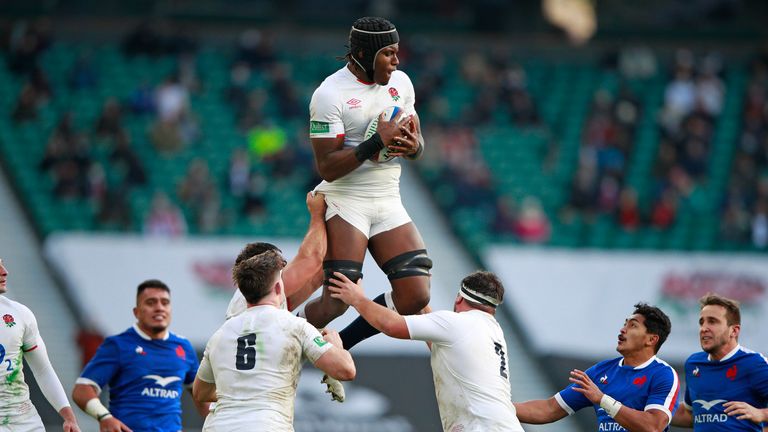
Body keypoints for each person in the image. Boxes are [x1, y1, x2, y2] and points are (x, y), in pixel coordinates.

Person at [305, 16, 432, 350]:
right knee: (336, 301)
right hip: (346, 200)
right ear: (364, 53)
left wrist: (413, 147)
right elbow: (327, 167)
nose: (396, 60)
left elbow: (417, 145)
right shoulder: (329, 94)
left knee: (415, 294)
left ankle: (340, 346)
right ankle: (287, 340)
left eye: (397, 52)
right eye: (388, 53)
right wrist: (376, 143)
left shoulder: (401, 83)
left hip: (388, 196)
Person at [329, 270, 525, 431]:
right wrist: (419, 297)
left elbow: (392, 325)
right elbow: (442, 344)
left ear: (459, 298)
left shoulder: (457, 322)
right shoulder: (494, 331)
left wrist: (357, 299)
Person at [193, 250, 355, 431]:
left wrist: (242, 391)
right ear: (278, 287)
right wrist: (338, 348)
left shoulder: (220, 335)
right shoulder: (295, 326)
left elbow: (201, 392)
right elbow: (346, 370)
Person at [513, 302, 680, 432]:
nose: (622, 330)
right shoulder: (601, 371)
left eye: (633, 325)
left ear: (651, 340)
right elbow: (549, 409)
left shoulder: (663, 374)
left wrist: (602, 400)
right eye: (624, 323)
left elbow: (653, 426)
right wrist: (498, 405)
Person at [72, 279, 209, 431]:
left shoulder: (183, 347)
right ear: (136, 312)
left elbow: (201, 395)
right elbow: (82, 390)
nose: (159, 308)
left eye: (165, 303)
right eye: (151, 303)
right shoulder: (118, 345)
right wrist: (105, 417)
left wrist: (218, 424)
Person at [0, 258, 81, 431]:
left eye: (2, 263)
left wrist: (68, 416)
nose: (4, 271)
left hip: (25, 422)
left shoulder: (20, 314)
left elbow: (43, 369)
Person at [671, 294, 768, 431]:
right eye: (701, 322)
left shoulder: (754, 363)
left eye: (712, 321)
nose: (704, 328)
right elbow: (688, 413)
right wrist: (648, 409)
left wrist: (761, 414)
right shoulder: (694, 364)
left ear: (734, 331)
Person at [224, 191, 326, 318]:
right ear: (260, 268)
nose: (283, 267)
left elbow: (314, 280)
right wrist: (317, 214)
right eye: (280, 265)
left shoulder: (259, 296)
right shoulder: (262, 289)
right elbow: (312, 258)